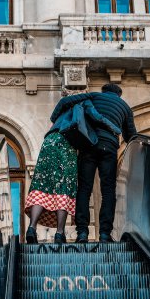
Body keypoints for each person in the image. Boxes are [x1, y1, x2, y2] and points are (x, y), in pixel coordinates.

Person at [25, 95, 121, 245]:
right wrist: (114, 128)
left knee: (42, 185)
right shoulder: (86, 102)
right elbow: (97, 117)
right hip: (66, 145)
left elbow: (52, 117)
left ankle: (31, 228)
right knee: (64, 187)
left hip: (49, 142)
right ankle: (59, 233)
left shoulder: (63, 107)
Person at [50, 83, 137, 243]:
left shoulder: (95, 96)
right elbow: (131, 136)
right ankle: (105, 234)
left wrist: (54, 120)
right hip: (109, 148)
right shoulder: (125, 107)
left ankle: (82, 232)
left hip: (89, 145)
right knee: (108, 191)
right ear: (119, 94)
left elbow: (63, 103)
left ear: (104, 91)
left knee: (84, 189)